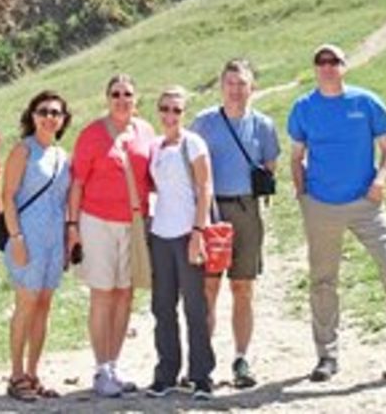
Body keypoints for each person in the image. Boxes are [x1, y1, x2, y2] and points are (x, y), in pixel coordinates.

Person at [288, 44, 386, 384]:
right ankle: (326, 356)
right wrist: (303, 196)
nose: (327, 67)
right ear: (315, 68)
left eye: (334, 61)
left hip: (366, 204)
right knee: (323, 281)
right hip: (320, 205)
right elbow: (296, 156)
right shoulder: (303, 108)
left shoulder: (365, 102)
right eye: (321, 62)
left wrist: (381, 181)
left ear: (345, 66)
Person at [190, 58, 279, 388]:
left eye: (242, 83)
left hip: (247, 210)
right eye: (230, 83)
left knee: (243, 287)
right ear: (221, 86)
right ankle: (202, 360)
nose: (236, 90)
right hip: (212, 211)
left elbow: (270, 166)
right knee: (208, 288)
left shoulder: (263, 125)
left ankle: (242, 358)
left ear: (251, 87)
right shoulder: (204, 123)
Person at [65, 73, 155, 399]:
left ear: (136, 98)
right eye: (115, 93)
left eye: (127, 94)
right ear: (107, 98)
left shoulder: (145, 131)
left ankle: (114, 365)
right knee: (102, 293)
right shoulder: (91, 135)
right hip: (97, 221)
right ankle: (101, 367)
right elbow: (77, 183)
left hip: (133, 222)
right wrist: (72, 226)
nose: (121, 99)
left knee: (124, 293)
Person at [0, 90, 72, 402]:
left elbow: (65, 200)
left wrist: (70, 240)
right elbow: (8, 197)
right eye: (43, 111)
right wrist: (16, 239)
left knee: (44, 305)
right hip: (27, 236)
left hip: (53, 238)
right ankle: (15, 375)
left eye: (55, 112)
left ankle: (33, 372)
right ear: (32, 116)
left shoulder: (62, 155)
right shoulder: (23, 151)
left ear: (63, 119)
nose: (49, 117)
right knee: (26, 304)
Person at [145, 86, 216, 401]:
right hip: (160, 233)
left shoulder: (194, 143)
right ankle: (166, 374)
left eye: (176, 110)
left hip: (188, 233)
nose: (170, 115)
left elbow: (205, 188)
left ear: (184, 114)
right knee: (162, 306)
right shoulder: (156, 146)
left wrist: (198, 232)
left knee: (195, 307)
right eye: (165, 108)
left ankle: (201, 376)